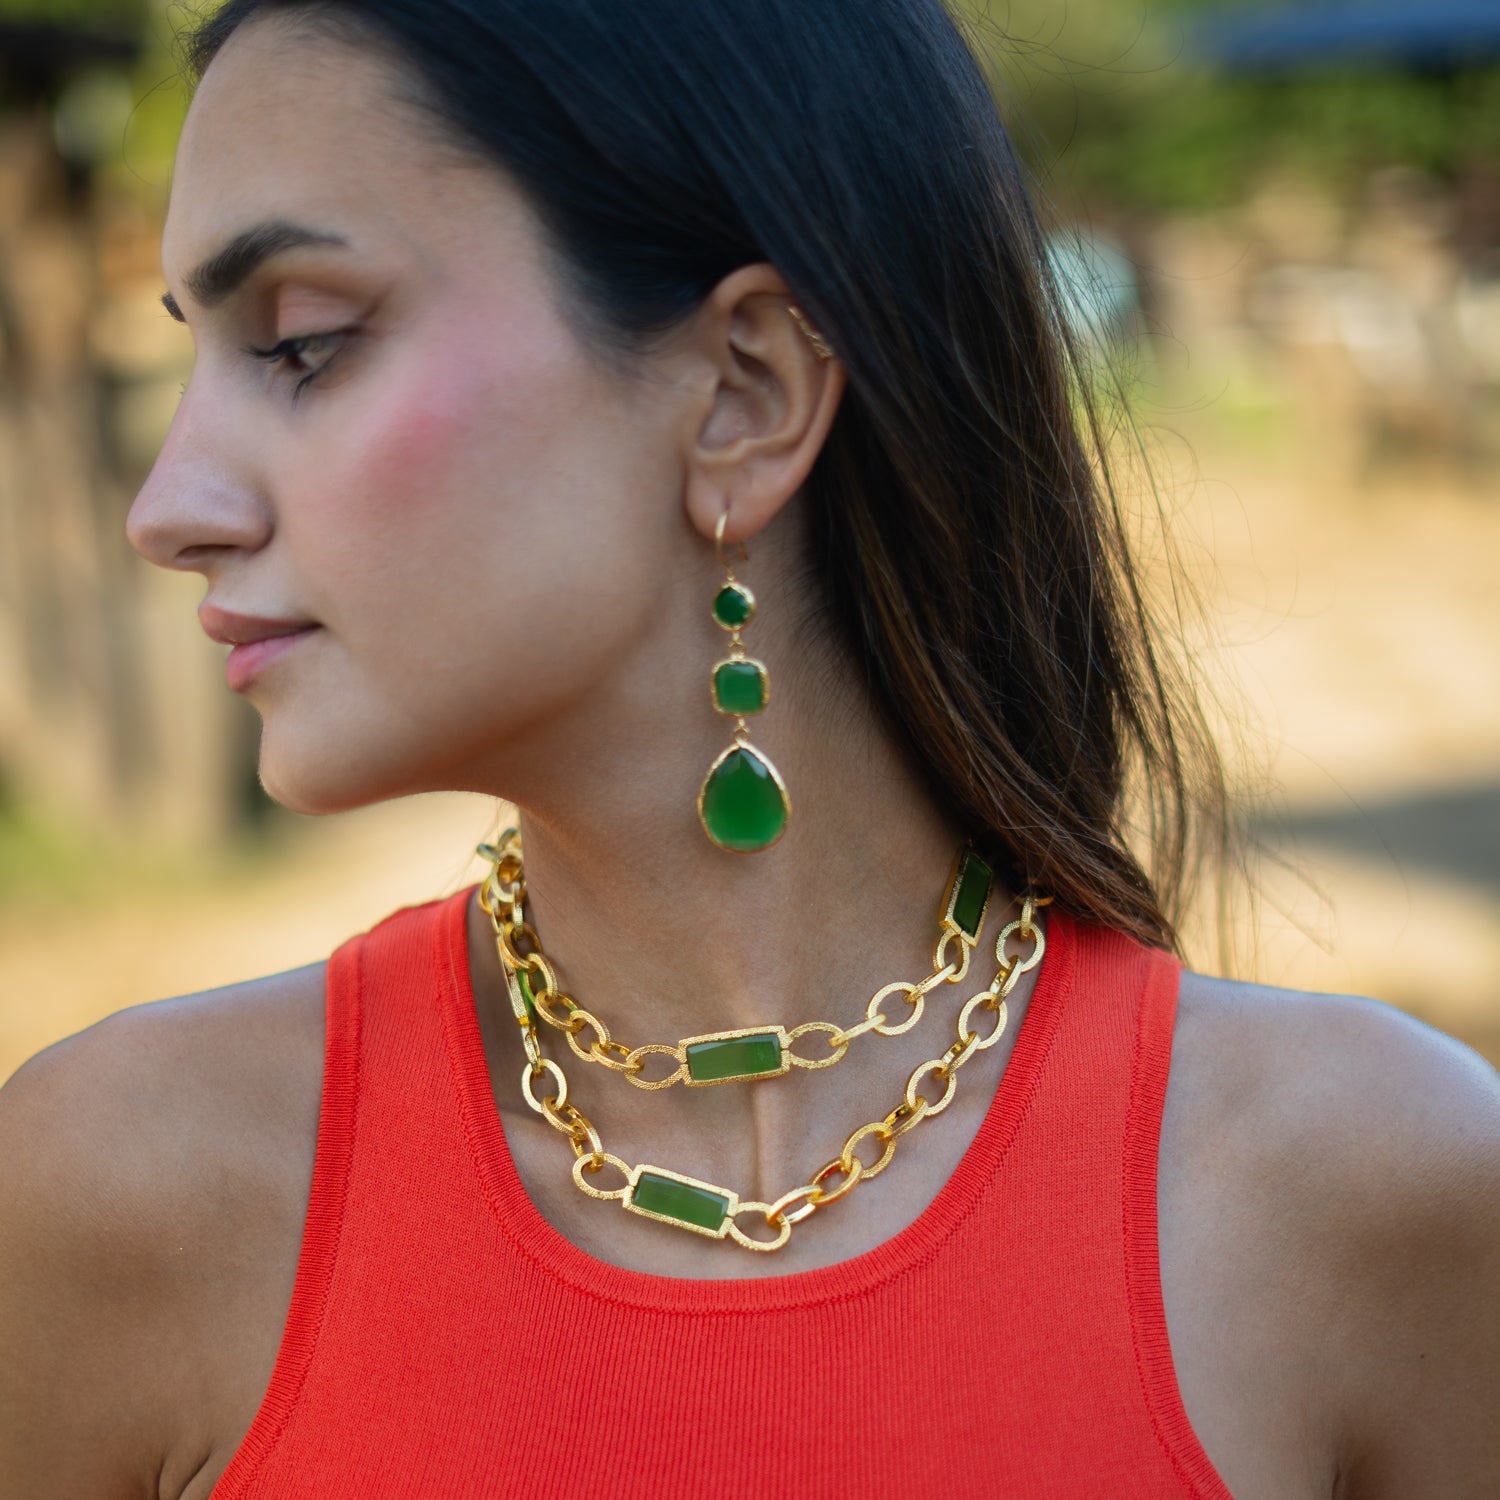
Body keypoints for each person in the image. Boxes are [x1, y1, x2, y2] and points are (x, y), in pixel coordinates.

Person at [1, 1, 1496, 1495]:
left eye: (302, 347)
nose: (169, 507)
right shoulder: (120, 1200)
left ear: (745, 393)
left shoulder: (1366, 1204)